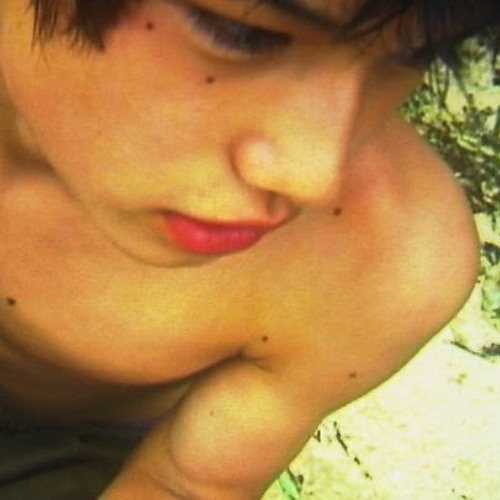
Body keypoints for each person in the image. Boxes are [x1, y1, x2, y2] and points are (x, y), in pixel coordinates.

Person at [0, 0, 497, 498]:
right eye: (241, 35)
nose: (313, 177)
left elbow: (183, 485)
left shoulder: (389, 260)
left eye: (415, 53)